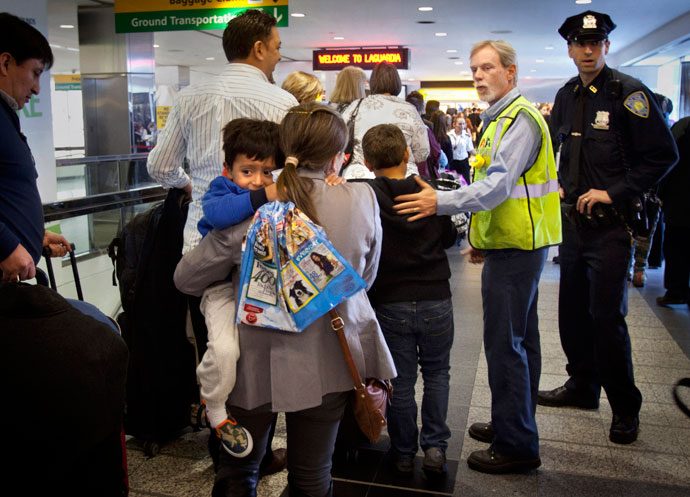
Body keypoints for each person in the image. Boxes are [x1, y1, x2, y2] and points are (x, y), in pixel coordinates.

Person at [174, 102, 396, 497]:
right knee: (312, 478)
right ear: (336, 157)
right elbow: (362, 279)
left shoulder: (257, 205)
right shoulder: (362, 200)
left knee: (239, 473)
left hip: (251, 358)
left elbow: (186, 277)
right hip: (329, 355)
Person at [394, 40, 562, 474]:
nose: (478, 76)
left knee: (506, 345)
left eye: (487, 68)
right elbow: (499, 189)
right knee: (520, 341)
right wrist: (482, 238)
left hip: (520, 247)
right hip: (513, 241)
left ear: (511, 72)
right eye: (474, 69)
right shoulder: (499, 119)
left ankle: (517, 443)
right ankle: (514, 423)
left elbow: (498, 187)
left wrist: (440, 203)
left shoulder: (519, 119)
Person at [537, 11, 678, 445]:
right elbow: (558, 148)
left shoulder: (628, 94)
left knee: (606, 319)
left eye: (595, 43)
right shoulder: (566, 96)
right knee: (572, 315)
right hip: (574, 228)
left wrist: (613, 192)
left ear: (606, 47)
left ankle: (625, 407)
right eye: (580, 43)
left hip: (613, 227)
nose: (587, 50)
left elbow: (662, 156)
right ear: (569, 47)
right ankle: (582, 386)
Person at [147, 8, 297, 255]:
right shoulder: (283, 103)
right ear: (259, 49)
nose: (279, 56)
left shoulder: (189, 98)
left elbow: (160, 166)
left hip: (201, 244)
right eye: (277, 48)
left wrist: (189, 185)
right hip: (263, 242)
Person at [360, 124, 456, 475]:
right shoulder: (429, 192)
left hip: (390, 301)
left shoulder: (366, 193)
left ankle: (402, 452)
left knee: (400, 381)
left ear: (368, 164)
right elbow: (448, 236)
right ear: (406, 155)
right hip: (436, 296)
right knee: (438, 374)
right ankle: (434, 448)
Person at [195, 118, 283, 459]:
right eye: (248, 171)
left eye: (267, 173)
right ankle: (213, 404)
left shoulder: (269, 191)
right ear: (227, 170)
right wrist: (266, 195)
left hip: (259, 289)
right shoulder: (222, 190)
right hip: (221, 288)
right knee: (224, 350)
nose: (257, 181)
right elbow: (219, 215)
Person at [0, 12, 72, 283]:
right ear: (6, 62)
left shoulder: (6, 116)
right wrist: (6, 244)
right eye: (35, 73)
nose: (37, 89)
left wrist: (34, 235)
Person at [341, 62, 429, 180]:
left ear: (372, 82)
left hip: (359, 176)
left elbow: (340, 140)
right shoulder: (409, 110)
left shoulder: (355, 106)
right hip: (402, 178)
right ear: (397, 82)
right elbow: (422, 152)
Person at [656, 116, 689, 308]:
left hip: (680, 199)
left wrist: (661, 192)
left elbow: (667, 159)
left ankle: (676, 291)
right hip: (680, 199)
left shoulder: (683, 127)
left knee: (676, 246)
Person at [447, 113, 475, 183]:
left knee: (466, 183)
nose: (462, 126)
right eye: (460, 124)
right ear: (454, 124)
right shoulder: (449, 135)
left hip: (463, 162)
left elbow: (471, 150)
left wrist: (479, 155)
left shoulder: (466, 136)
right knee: (452, 183)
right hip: (452, 163)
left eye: (463, 124)